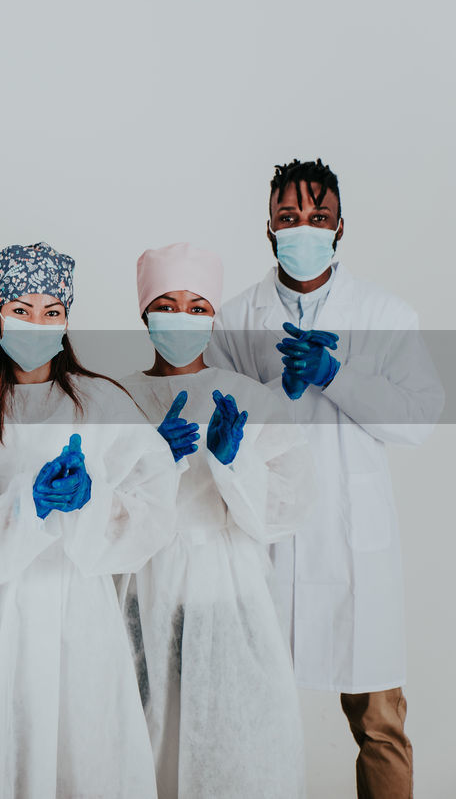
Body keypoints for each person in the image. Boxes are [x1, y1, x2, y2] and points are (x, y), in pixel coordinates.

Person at [207, 159, 444, 799]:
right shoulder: (233, 320)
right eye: (289, 218)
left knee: (380, 725)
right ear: (268, 228)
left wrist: (336, 375)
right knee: (251, 715)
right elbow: (218, 424)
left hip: (352, 548)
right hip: (269, 542)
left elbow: (420, 418)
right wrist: (272, 396)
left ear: (340, 227)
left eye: (318, 217)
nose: (302, 228)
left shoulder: (384, 312)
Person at [0, 243, 176, 799]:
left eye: (51, 312)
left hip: (81, 620)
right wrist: (26, 508)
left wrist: (92, 501)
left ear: (67, 319)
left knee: (83, 759)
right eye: (21, 309)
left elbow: (153, 513)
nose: (37, 324)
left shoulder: (101, 404)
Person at [119, 242, 313, 798]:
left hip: (227, 595)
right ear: (143, 312)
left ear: (215, 316)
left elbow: (286, 509)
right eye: (168, 303)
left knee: (233, 753)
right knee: (145, 746)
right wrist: (148, 460)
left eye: (198, 307)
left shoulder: (249, 399)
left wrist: (235, 461)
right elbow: (97, 506)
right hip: (141, 590)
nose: (182, 318)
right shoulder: (113, 398)